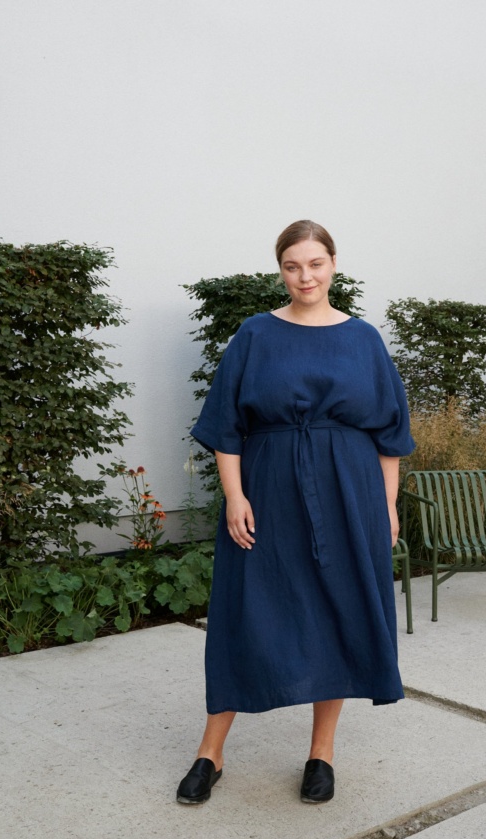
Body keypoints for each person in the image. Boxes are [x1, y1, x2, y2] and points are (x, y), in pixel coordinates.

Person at [177, 220, 415, 806]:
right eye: (292, 265)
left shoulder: (363, 339)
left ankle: (321, 755)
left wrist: (386, 507)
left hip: (350, 493)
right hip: (269, 490)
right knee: (245, 610)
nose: (304, 276)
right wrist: (235, 496)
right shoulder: (255, 335)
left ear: (334, 263)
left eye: (315, 263)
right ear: (280, 269)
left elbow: (390, 434)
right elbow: (226, 428)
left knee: (337, 612)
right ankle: (210, 753)